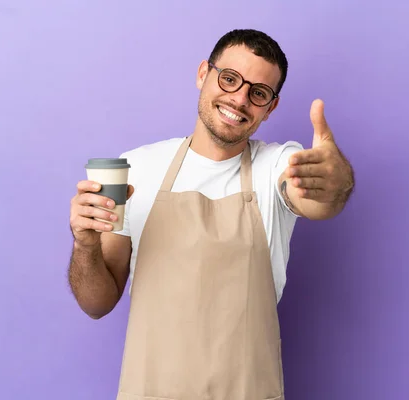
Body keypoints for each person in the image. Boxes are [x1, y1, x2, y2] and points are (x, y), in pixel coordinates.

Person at [68, 29, 354, 400]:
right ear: (204, 73)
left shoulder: (277, 166)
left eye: (258, 93)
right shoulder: (136, 169)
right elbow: (97, 303)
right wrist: (85, 244)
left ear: (271, 107)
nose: (239, 99)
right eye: (230, 78)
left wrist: (335, 181)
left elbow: (317, 199)